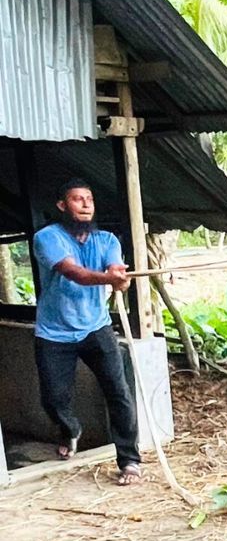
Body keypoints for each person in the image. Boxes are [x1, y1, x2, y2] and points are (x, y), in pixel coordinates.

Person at [32, 178, 141, 485]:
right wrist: (108, 278)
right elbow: (74, 273)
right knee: (53, 399)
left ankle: (130, 461)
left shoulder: (107, 240)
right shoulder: (47, 237)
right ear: (62, 206)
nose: (85, 204)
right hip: (54, 333)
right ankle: (70, 429)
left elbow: (115, 269)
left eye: (89, 199)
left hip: (96, 327)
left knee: (119, 394)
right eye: (77, 199)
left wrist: (120, 279)